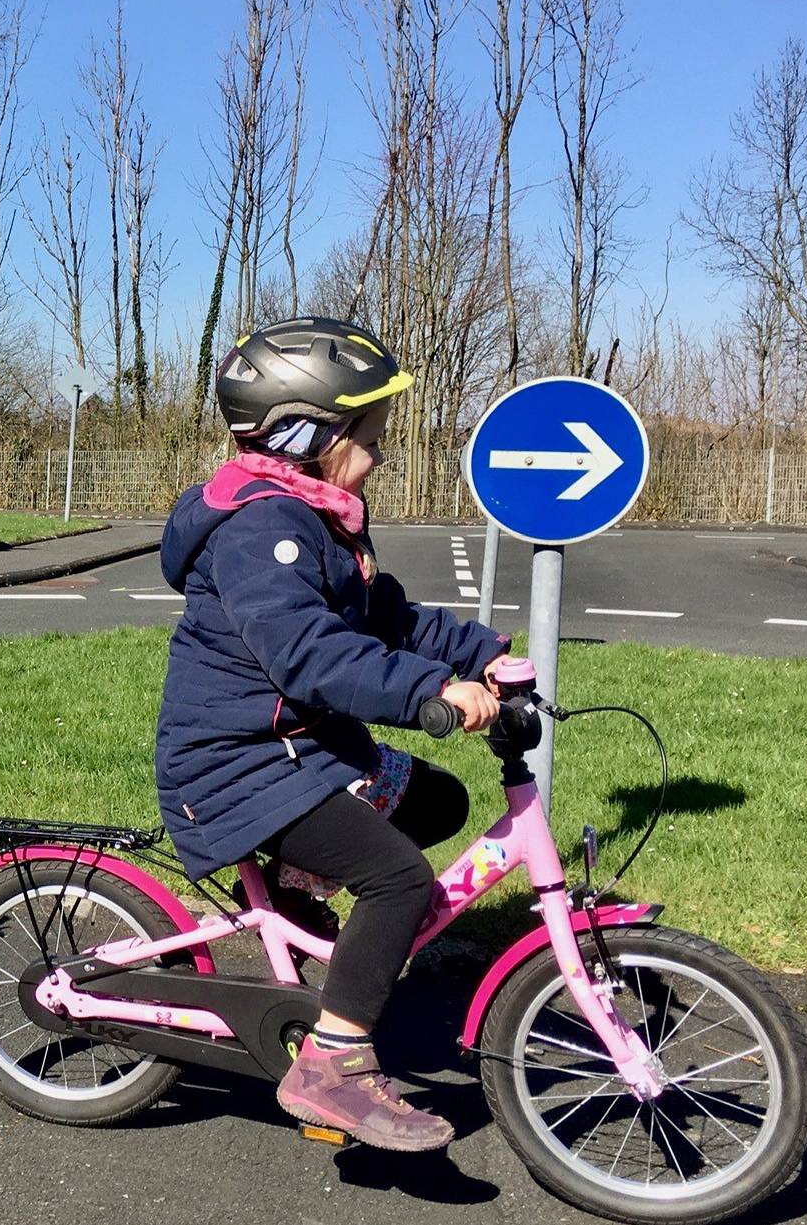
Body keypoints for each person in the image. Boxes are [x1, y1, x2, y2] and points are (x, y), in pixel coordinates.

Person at [155, 317, 512, 1152]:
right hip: (236, 766)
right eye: (373, 438)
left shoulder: (320, 518)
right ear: (308, 434)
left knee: (437, 799)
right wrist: (433, 693)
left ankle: (295, 899)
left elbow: (383, 617)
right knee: (397, 876)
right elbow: (311, 655)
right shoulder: (261, 532)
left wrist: (483, 656)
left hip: (297, 748)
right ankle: (331, 1063)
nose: (382, 455)